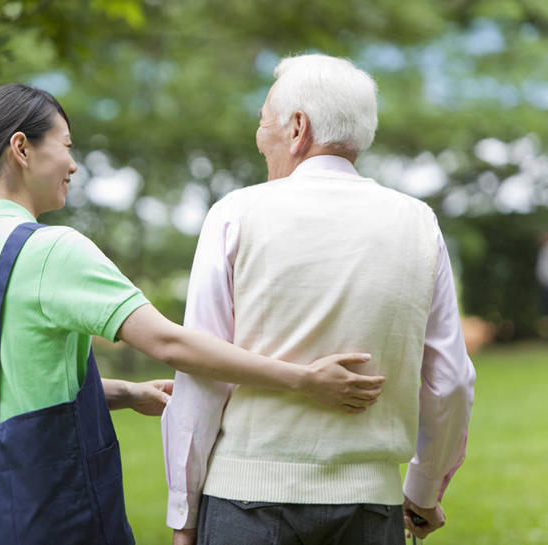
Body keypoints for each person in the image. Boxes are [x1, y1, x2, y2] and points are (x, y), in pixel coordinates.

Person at [0, 84, 385, 545]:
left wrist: (125, 392)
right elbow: (170, 343)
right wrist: (301, 379)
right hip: (49, 519)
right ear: (21, 148)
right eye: (66, 146)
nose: (74, 164)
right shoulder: (50, 251)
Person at [162, 54, 476, 545]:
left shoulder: (235, 215)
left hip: (245, 503)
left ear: (297, 129)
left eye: (263, 122)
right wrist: (423, 489)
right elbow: (451, 380)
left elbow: (202, 373)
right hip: (372, 507)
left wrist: (184, 513)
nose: (259, 136)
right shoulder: (419, 223)